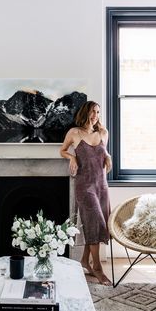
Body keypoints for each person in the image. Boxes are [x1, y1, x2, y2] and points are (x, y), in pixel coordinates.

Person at [60, 100, 112, 286]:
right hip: (84, 185)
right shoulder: (74, 133)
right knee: (95, 223)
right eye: (92, 111)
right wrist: (72, 156)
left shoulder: (103, 133)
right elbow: (62, 150)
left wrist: (108, 156)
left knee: (98, 225)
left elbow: (103, 153)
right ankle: (97, 268)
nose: (95, 115)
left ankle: (84, 261)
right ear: (85, 112)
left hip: (102, 185)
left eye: (98, 112)